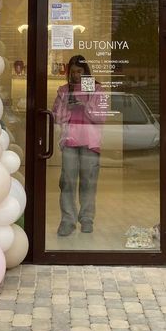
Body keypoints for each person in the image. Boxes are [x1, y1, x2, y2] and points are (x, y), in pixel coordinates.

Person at [52, 55, 107, 236]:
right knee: (67, 182)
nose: (76, 75)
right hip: (69, 141)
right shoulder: (63, 90)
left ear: (86, 71)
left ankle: (87, 219)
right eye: (73, 72)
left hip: (91, 142)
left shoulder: (96, 89)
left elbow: (102, 117)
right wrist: (67, 107)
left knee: (88, 182)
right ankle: (67, 221)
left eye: (79, 71)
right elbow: (56, 116)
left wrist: (85, 106)